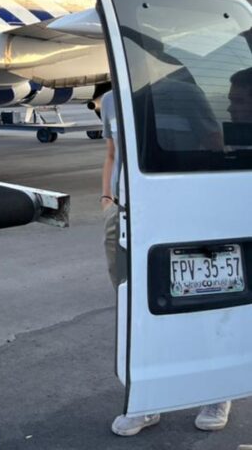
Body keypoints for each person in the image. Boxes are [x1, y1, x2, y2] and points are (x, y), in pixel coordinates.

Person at [102, 88, 233, 435]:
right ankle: (148, 401)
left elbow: (213, 143)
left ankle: (217, 393)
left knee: (203, 298)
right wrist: (107, 198)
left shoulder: (185, 93)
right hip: (129, 213)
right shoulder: (110, 100)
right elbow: (113, 152)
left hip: (181, 208)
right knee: (135, 309)